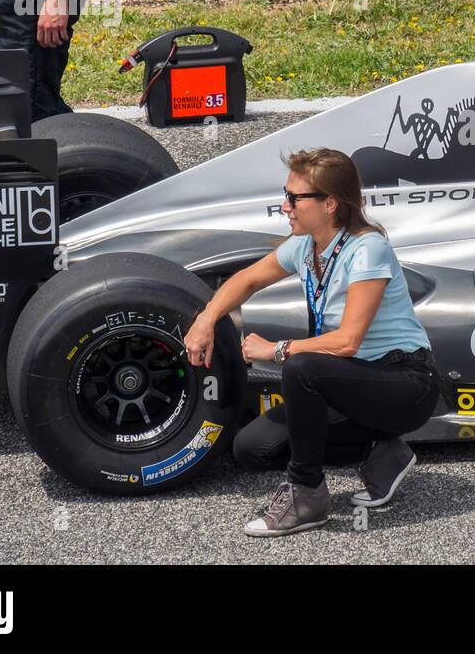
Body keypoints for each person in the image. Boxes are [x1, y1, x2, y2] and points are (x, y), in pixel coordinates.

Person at [184, 148, 440, 535]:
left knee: (302, 367)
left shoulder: (367, 248)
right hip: (351, 381)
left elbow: (347, 342)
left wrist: (276, 350)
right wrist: (206, 319)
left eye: (294, 198)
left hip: (405, 382)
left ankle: (307, 496)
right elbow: (247, 280)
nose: (285, 207)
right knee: (251, 448)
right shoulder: (306, 245)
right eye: (285, 195)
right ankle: (379, 452)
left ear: (330, 204)